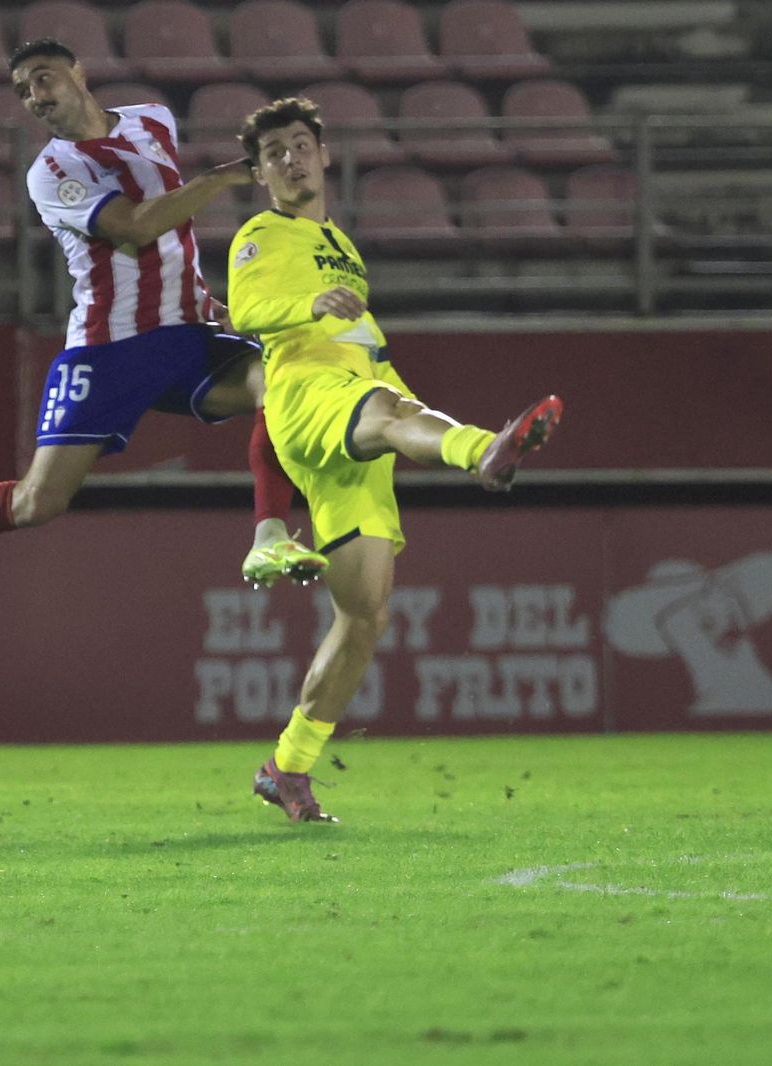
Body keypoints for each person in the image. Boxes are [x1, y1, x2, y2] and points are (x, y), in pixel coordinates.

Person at [0, 39, 325, 633]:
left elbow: (170, 239)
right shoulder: (51, 172)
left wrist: (202, 293)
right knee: (37, 504)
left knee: (283, 385)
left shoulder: (152, 120)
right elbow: (135, 229)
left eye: (44, 78)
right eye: (24, 90)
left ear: (78, 73)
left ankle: (270, 538)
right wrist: (223, 179)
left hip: (186, 332)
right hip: (111, 350)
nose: (36, 96)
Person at [229, 97, 565, 823]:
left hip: (358, 395)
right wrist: (308, 306)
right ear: (260, 174)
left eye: (299, 145)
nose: (290, 158)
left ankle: (285, 766)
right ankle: (485, 450)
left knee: (364, 615)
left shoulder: (344, 245)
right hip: (307, 394)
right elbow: (247, 313)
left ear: (322, 155)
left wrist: (367, 354)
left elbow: (360, 334)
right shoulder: (261, 234)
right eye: (274, 152)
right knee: (393, 414)